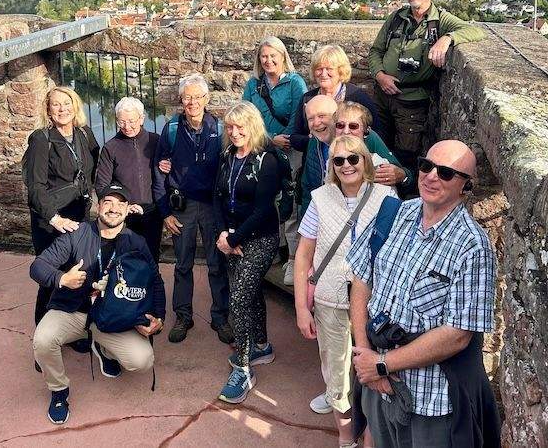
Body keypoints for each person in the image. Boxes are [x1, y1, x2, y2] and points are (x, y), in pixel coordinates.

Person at [346, 140, 500, 448]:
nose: (431, 177)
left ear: (465, 187)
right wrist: (366, 358)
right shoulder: (395, 213)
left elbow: (458, 334)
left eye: (445, 173)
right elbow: (362, 280)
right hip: (378, 380)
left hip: (430, 399)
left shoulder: (473, 246)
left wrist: (383, 364)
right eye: (426, 166)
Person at [30, 184, 165, 425]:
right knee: (42, 340)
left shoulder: (136, 242)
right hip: (73, 311)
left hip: (113, 317)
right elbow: (38, 266)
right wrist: (62, 279)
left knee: (143, 360)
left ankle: (104, 348)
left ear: (127, 209)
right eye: (108, 202)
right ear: (98, 206)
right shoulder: (77, 234)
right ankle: (59, 390)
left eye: (120, 204)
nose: (113, 209)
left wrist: (159, 316)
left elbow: (155, 281)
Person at [294, 135, 396, 448]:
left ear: (365, 160)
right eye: (339, 160)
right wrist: (301, 308)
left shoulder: (386, 197)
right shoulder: (320, 198)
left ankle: (371, 433)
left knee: (375, 369)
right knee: (337, 372)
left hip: (376, 303)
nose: (347, 165)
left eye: (353, 158)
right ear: (332, 166)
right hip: (331, 300)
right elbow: (303, 255)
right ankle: (345, 436)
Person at [368, 0, 486, 182]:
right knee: (376, 146)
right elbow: (375, 51)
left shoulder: (440, 20)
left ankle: (404, 196)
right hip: (383, 96)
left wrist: (447, 38)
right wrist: (380, 75)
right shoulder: (396, 18)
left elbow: (475, 30)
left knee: (406, 154)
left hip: (412, 101)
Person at [152, 73, 232, 344]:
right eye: (188, 97)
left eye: (198, 97)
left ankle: (221, 317)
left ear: (206, 99)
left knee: (217, 263)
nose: (193, 102)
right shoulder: (172, 129)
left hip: (211, 206)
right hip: (182, 205)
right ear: (181, 100)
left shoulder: (220, 130)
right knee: (183, 264)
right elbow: (159, 170)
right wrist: (165, 213)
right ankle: (183, 316)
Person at [213, 101, 281, 404]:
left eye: (241, 126)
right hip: (231, 237)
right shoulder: (227, 157)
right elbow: (217, 198)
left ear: (252, 127)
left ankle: (242, 368)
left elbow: (264, 208)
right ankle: (262, 346)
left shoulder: (267, 160)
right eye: (230, 127)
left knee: (238, 300)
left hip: (260, 239)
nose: (235, 132)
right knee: (250, 294)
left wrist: (234, 238)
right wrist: (223, 234)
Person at [26, 85, 99, 326]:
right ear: (48, 110)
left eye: (66, 103)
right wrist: (55, 219)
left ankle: (71, 330)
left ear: (75, 106)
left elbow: (99, 168)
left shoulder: (85, 134)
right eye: (56, 104)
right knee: (51, 277)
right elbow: (35, 186)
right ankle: (43, 340)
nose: (62, 109)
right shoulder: (41, 139)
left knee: (78, 272)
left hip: (79, 215)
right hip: (51, 221)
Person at [242, 35, 307, 266]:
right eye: (264, 56)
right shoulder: (253, 85)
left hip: (289, 149)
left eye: (273, 56)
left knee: (290, 198)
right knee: (267, 198)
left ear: (282, 57)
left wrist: (285, 139)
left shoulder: (295, 82)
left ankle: (292, 254)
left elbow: (299, 114)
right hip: (263, 148)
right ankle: (274, 246)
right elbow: (246, 118)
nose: (268, 61)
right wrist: (271, 140)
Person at [95, 96, 161, 265]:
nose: (127, 126)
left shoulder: (156, 141)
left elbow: (166, 176)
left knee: (151, 261)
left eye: (131, 121)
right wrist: (123, 206)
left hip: (152, 212)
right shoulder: (111, 147)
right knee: (124, 262)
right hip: (124, 216)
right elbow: (102, 185)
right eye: (121, 122)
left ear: (142, 119)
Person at [290, 44, 379, 153]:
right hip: (315, 162)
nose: (323, 74)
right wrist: (314, 140)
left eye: (329, 69)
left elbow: (376, 133)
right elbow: (295, 138)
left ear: (340, 70)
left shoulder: (358, 97)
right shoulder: (308, 98)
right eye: (319, 69)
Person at [333, 101, 412, 191]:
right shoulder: (330, 154)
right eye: (340, 125)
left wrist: (404, 175)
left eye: (353, 126)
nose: (346, 131)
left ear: (366, 131)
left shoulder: (378, 162)